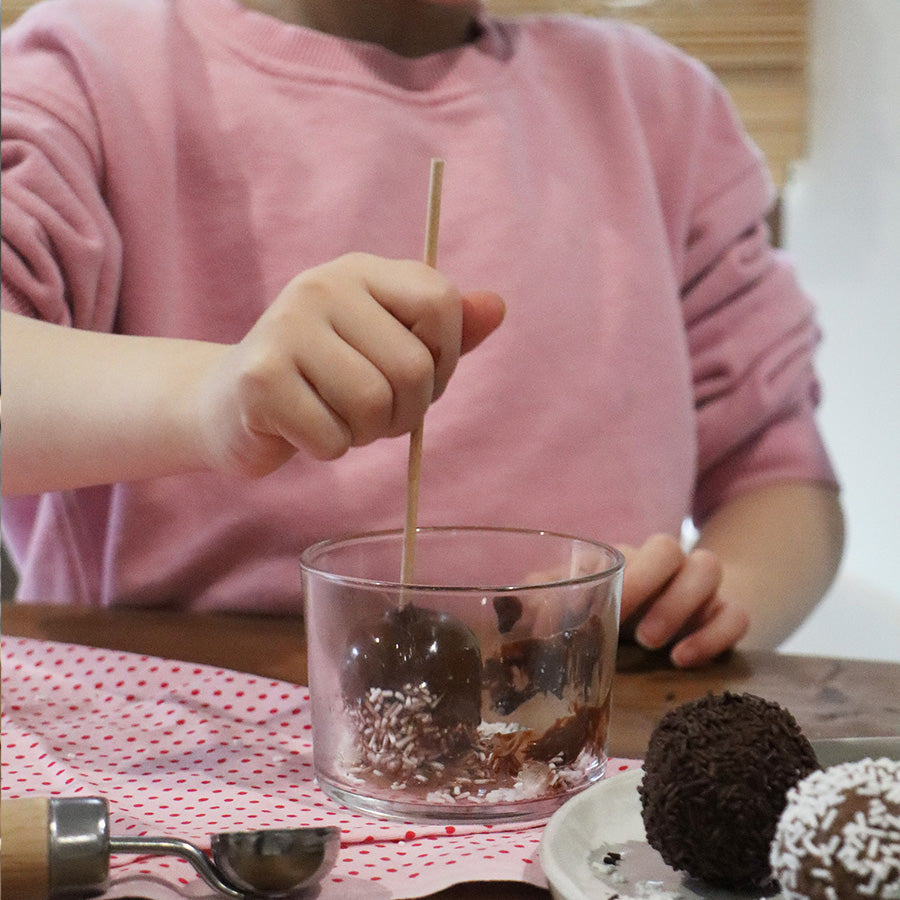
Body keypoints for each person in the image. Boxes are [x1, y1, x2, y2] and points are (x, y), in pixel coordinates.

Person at [0, 0, 844, 668]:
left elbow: (780, 480)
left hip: (576, 783)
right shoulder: (87, 67)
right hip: (178, 787)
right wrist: (210, 395)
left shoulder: (665, 113)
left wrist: (706, 603)